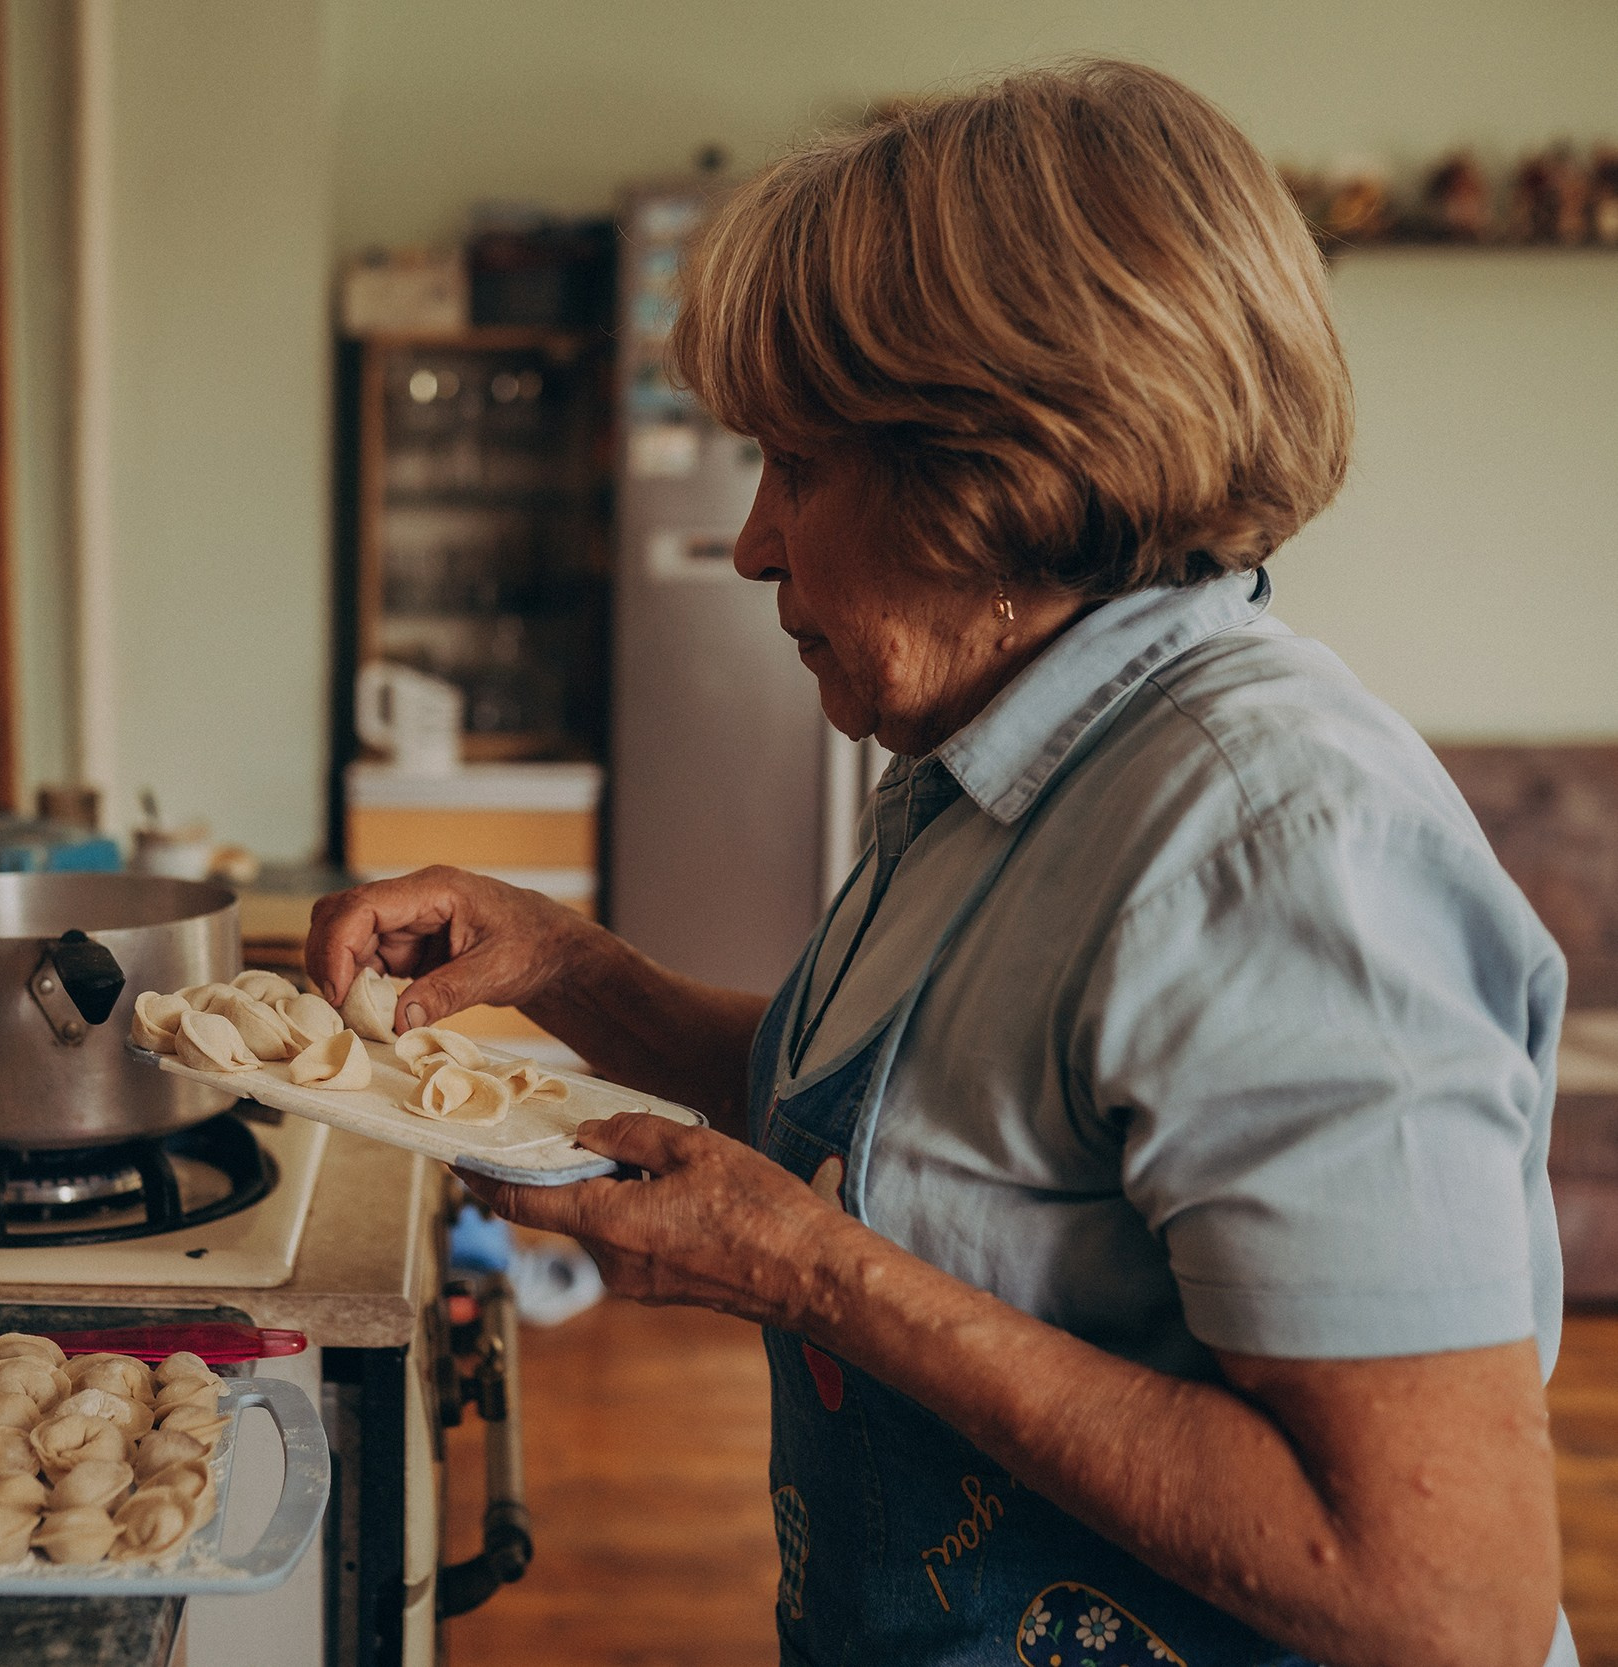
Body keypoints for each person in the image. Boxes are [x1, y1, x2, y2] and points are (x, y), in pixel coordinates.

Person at [308, 61, 1568, 1667]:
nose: (755, 539)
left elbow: (1437, 1593)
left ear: (1005, 466)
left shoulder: (1278, 843)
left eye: (801, 466)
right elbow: (928, 1125)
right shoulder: (996, 760)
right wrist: (569, 970)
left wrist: (816, 1276)